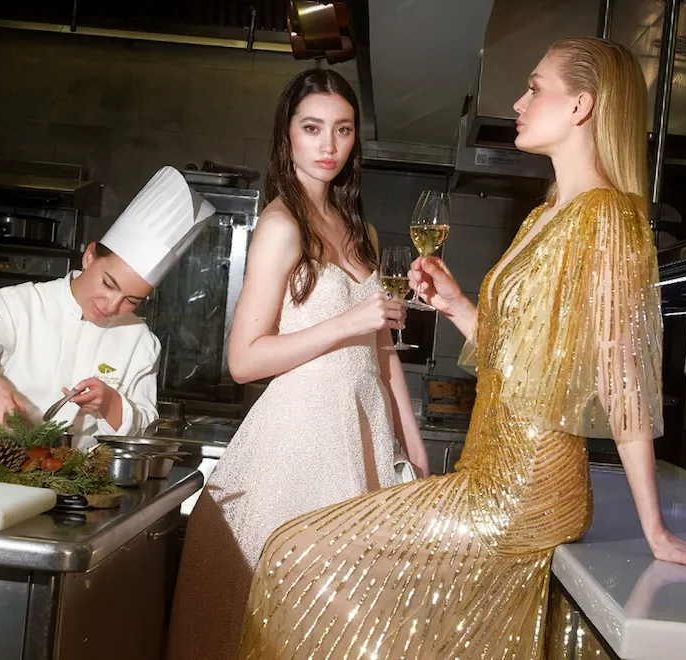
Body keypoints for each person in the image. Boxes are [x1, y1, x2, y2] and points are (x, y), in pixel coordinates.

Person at [236, 38, 686, 660]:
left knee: (293, 556)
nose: (518, 100)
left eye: (535, 88)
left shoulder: (608, 219)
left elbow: (624, 378)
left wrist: (656, 529)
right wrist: (458, 304)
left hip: (523, 491)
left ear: (580, 108)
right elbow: (517, 356)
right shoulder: (545, 215)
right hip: (487, 474)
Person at [167, 68, 428, 660]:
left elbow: (383, 355)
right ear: (287, 136)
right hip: (299, 443)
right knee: (293, 617)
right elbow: (242, 359)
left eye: (342, 130)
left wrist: (413, 449)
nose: (328, 145)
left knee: (354, 619)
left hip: (363, 440)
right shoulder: (281, 226)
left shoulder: (360, 229)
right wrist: (345, 323)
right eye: (312, 129)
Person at [0, 166, 214, 448]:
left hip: (82, 479)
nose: (112, 305)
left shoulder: (140, 340)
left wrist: (111, 404)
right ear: (89, 255)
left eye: (132, 300)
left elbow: (146, 430)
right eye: (108, 284)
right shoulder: (20, 304)